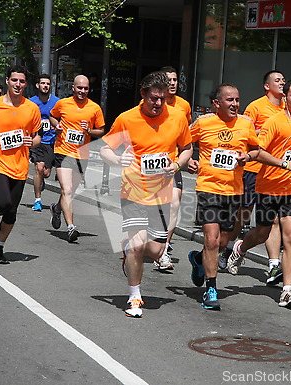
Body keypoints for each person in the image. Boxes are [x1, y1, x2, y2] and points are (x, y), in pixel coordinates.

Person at [100, 71, 193, 318]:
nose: (158, 104)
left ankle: (131, 250)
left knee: (156, 251)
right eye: (153, 98)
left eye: (162, 98)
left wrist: (176, 165)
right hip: (133, 190)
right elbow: (104, 150)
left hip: (162, 193)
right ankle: (134, 297)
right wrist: (118, 159)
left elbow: (187, 148)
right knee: (137, 247)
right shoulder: (127, 118)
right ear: (143, 95)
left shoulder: (177, 118)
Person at [228, 78, 291, 308]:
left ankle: (287, 291)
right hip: (267, 187)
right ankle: (240, 247)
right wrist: (284, 164)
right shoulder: (274, 122)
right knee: (262, 234)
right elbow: (258, 151)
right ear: (285, 98)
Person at [187, 83, 259, 311]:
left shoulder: (246, 123)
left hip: (234, 191)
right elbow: (183, 142)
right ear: (217, 103)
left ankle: (199, 260)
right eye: (230, 100)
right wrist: (187, 159)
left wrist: (247, 156)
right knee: (211, 239)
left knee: (223, 241)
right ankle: (211, 288)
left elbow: (257, 149)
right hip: (208, 187)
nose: (235, 104)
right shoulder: (204, 122)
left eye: (237, 100)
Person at [221, 70, 286, 280]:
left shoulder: (288, 109)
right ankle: (229, 248)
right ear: (267, 86)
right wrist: (267, 130)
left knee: (273, 220)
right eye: (277, 80)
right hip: (253, 169)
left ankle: (274, 264)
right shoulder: (256, 107)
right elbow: (244, 133)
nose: (282, 83)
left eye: (283, 80)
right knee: (244, 212)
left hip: (276, 173)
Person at [0, 65, 41, 264]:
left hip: (20, 165)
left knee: (11, 213)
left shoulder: (31, 108)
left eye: (22, 81)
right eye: (14, 80)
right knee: (3, 203)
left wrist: (33, 141)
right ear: (7, 81)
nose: (18, 84)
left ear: (26, 84)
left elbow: (38, 136)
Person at [49, 75, 105, 242]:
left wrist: (89, 131)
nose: (82, 91)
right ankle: (71, 227)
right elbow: (53, 116)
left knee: (70, 192)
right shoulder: (63, 103)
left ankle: (57, 208)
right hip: (62, 151)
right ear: (73, 88)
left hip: (82, 155)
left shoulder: (94, 108)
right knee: (66, 190)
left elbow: (101, 130)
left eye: (85, 88)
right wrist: (56, 125)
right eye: (79, 88)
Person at [153, 65, 192, 270]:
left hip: (172, 164)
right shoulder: (149, 104)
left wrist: (189, 158)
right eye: (168, 80)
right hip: (149, 165)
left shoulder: (184, 106)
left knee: (174, 203)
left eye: (175, 80)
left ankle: (164, 248)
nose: (173, 83)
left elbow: (187, 137)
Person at [29, 74, 60, 212]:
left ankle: (41, 181)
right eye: (43, 83)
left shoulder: (57, 102)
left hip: (51, 141)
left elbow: (61, 118)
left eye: (48, 84)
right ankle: (37, 200)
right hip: (37, 140)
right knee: (39, 168)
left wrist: (57, 125)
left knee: (46, 173)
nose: (45, 86)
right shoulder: (31, 102)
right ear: (37, 85)